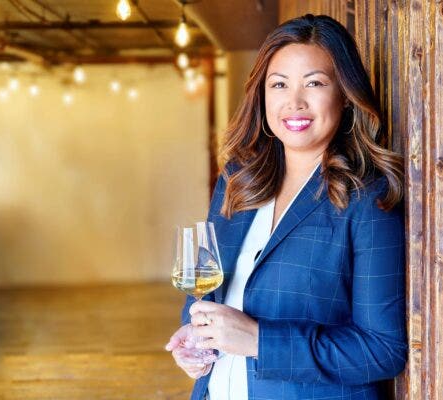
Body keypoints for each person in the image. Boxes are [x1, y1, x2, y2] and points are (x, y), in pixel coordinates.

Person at [165, 13, 407, 400]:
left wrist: (259, 341)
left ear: (344, 95)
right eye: (279, 84)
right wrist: (195, 339)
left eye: (314, 83)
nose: (294, 102)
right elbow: (206, 294)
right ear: (262, 94)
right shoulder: (238, 180)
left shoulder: (367, 198)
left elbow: (382, 350)